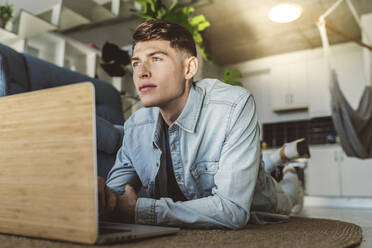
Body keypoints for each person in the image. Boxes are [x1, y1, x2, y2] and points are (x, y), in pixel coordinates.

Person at [98, 18, 306, 229]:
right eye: (136, 62)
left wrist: (140, 211)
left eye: (157, 59)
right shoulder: (135, 126)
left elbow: (233, 209)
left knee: (289, 196)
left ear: (189, 68)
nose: (141, 72)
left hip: (262, 199)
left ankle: (289, 171)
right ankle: (276, 157)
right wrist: (100, 197)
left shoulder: (234, 105)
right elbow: (114, 195)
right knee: (257, 166)